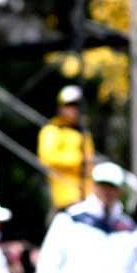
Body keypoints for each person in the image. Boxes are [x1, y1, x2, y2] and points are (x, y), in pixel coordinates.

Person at [37, 85, 93, 216]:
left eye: (77, 105)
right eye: (69, 105)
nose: (74, 109)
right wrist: (78, 160)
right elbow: (46, 158)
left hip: (87, 196)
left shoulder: (83, 132)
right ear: (60, 107)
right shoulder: (52, 130)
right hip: (65, 197)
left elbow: (89, 161)